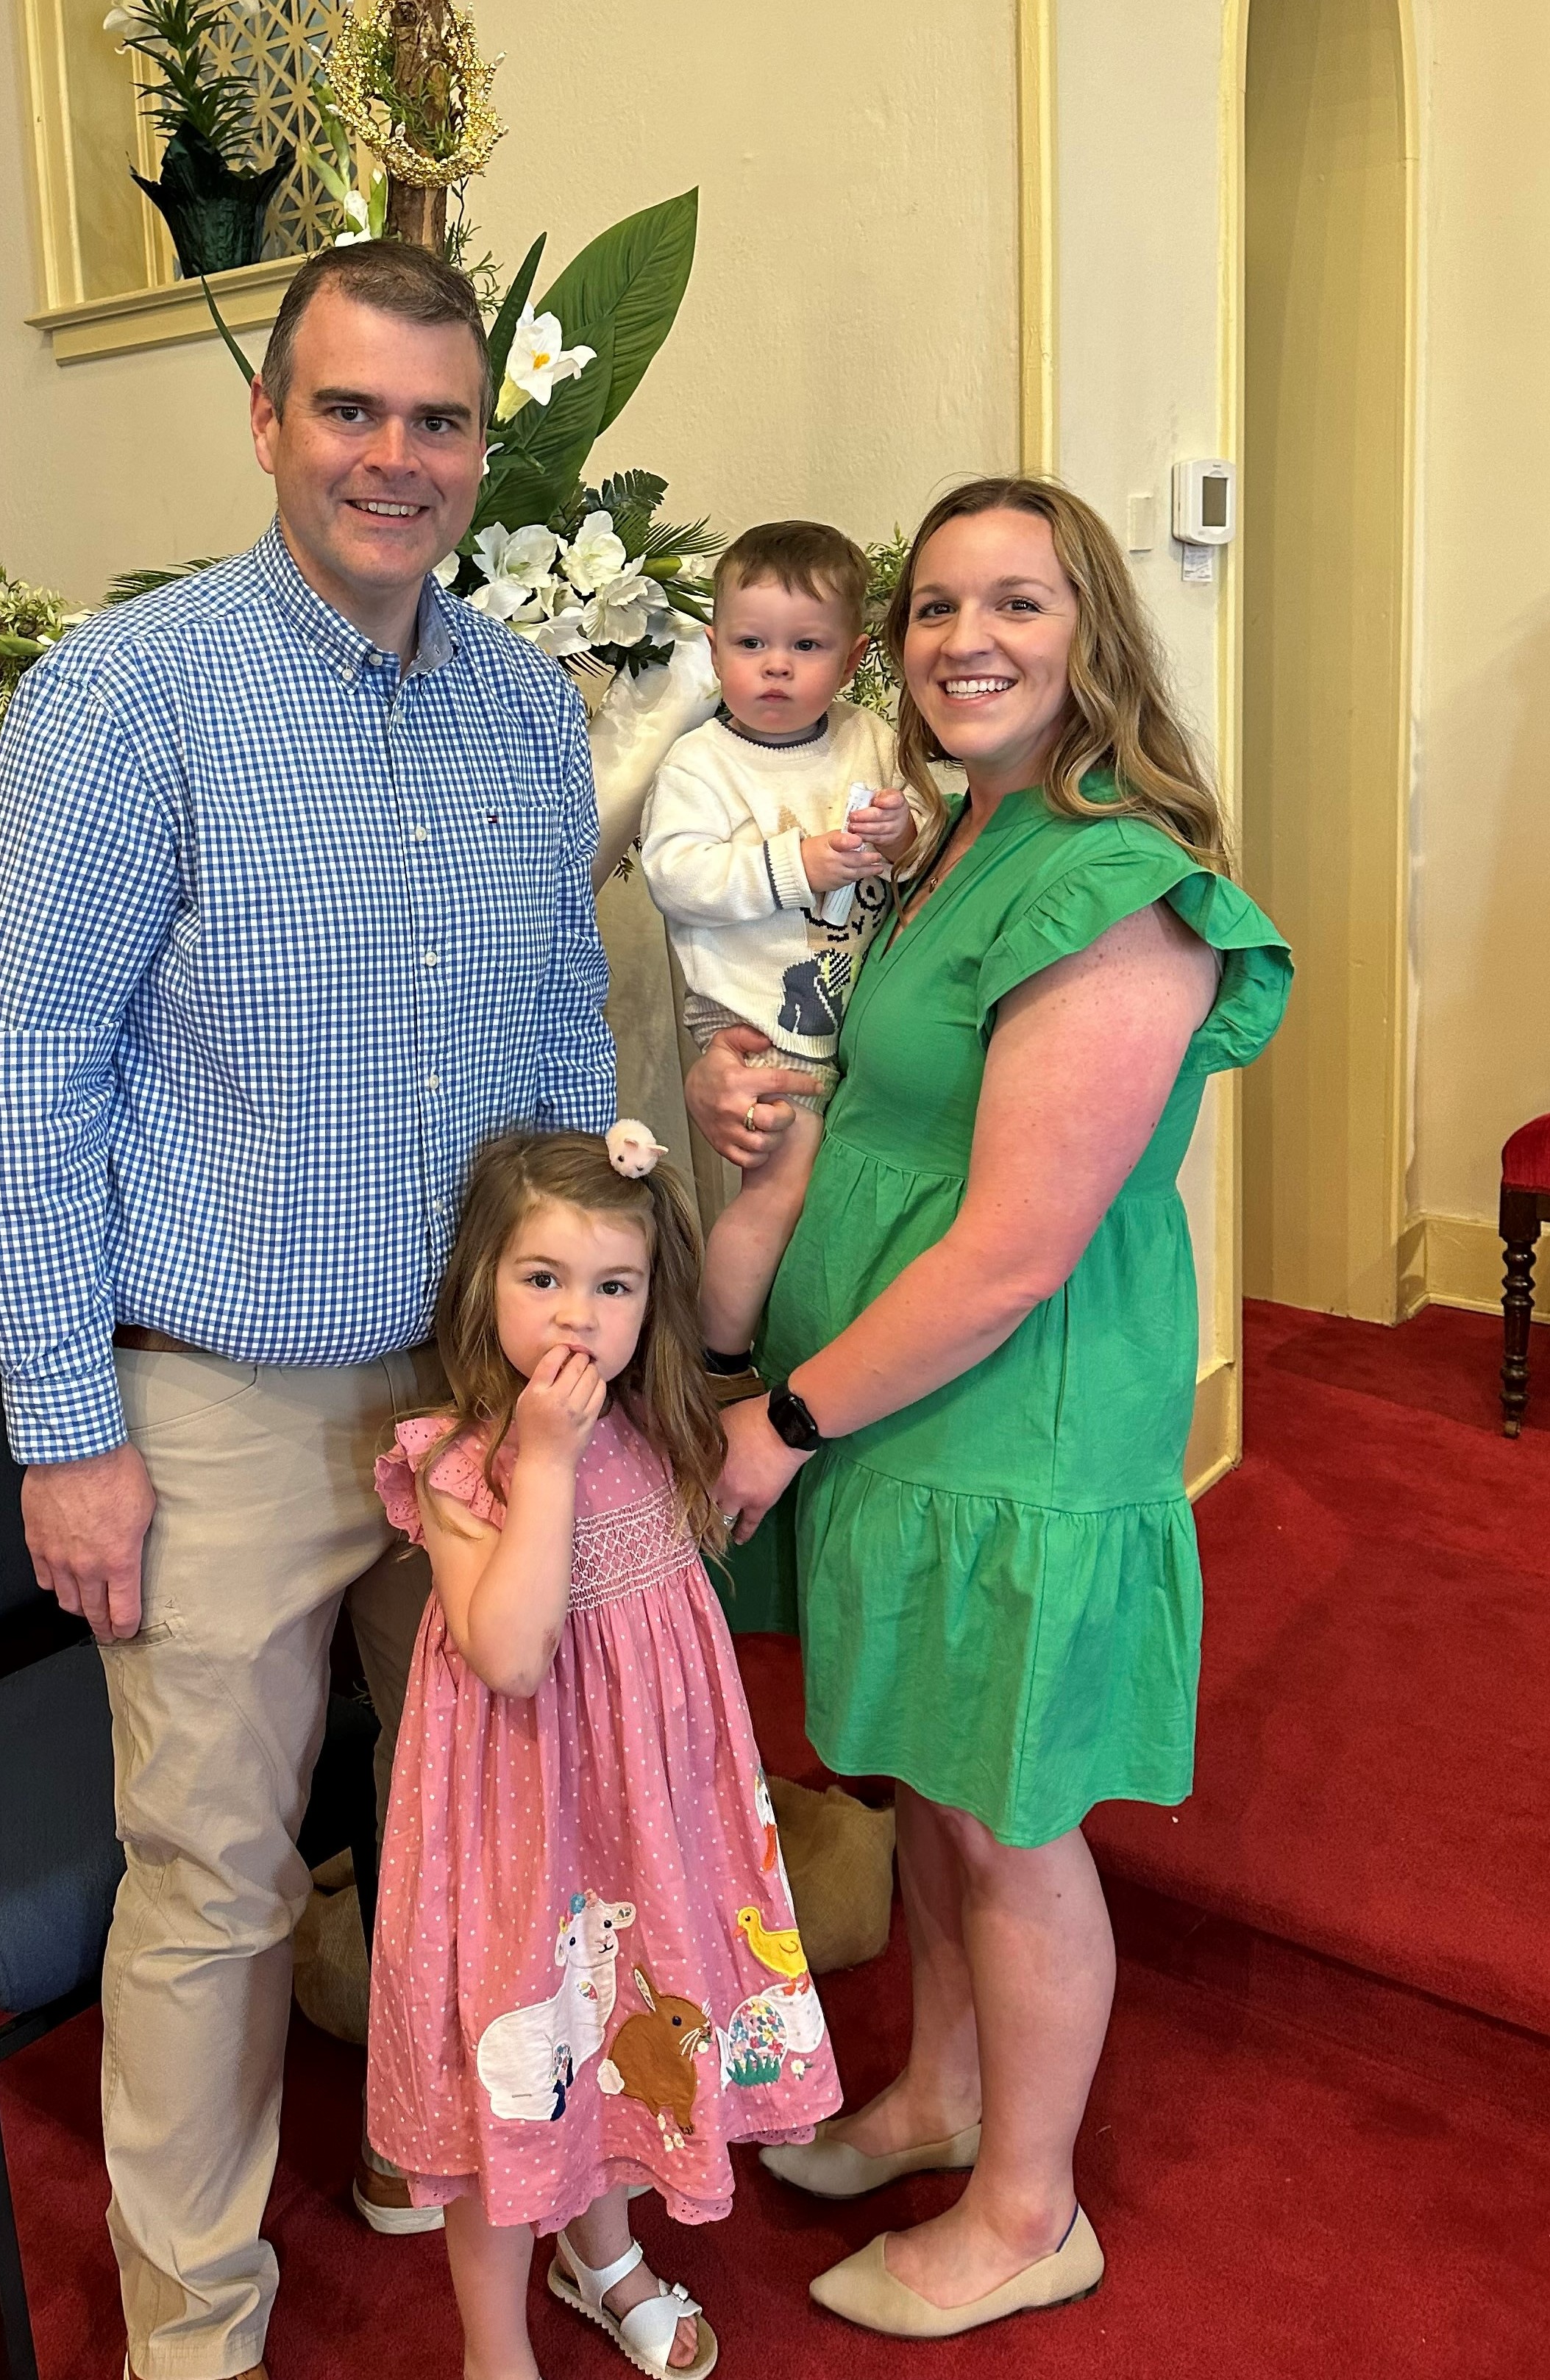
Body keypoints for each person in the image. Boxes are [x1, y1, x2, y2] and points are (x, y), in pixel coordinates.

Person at [0, 239, 616, 2380]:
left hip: (475, 1388)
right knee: (218, 1884)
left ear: (480, 449)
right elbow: (14, 1048)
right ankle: (195, 2333)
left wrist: (586, 1337)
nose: (391, 458)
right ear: (267, 423)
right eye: (349, 410)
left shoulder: (520, 701)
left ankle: (493, 2183)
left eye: (434, 420)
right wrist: (63, 1410)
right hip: (215, 1395)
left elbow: (564, 1023)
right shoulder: (128, 699)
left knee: (509, 1834)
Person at [691, 477, 1292, 2340]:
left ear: (1088, 632)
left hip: (1000, 1412)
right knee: (942, 1793)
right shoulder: (955, 837)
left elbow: (1016, 1249)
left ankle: (1029, 2209)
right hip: (904, 1404)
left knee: (1009, 1819)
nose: (964, 639)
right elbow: (904, 1109)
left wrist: (779, 1414)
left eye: (1013, 604)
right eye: (933, 608)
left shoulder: (1111, 881)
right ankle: (942, 2099)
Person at [366, 1127, 841, 2380]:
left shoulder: (659, 1421)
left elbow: (729, 1272)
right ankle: (492, 2342)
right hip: (519, 1833)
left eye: (612, 1286)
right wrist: (549, 1460)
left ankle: (604, 2253)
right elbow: (512, 1655)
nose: (578, 1315)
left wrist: (775, 1165)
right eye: (542, 1279)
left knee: (620, 2037)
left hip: (643, 1816)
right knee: (518, 2070)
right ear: (482, 1287)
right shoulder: (464, 1468)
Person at [639, 522, 933, 1375]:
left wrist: (902, 828)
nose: (775, 665)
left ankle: (823, 1343)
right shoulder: (701, 760)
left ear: (851, 659)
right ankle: (716, 1359)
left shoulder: (870, 738)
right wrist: (796, 862)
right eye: (751, 643)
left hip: (851, 996)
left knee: (847, 1186)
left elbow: (927, 844)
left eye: (806, 645)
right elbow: (676, 874)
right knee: (784, 1179)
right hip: (752, 1010)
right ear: (714, 646)